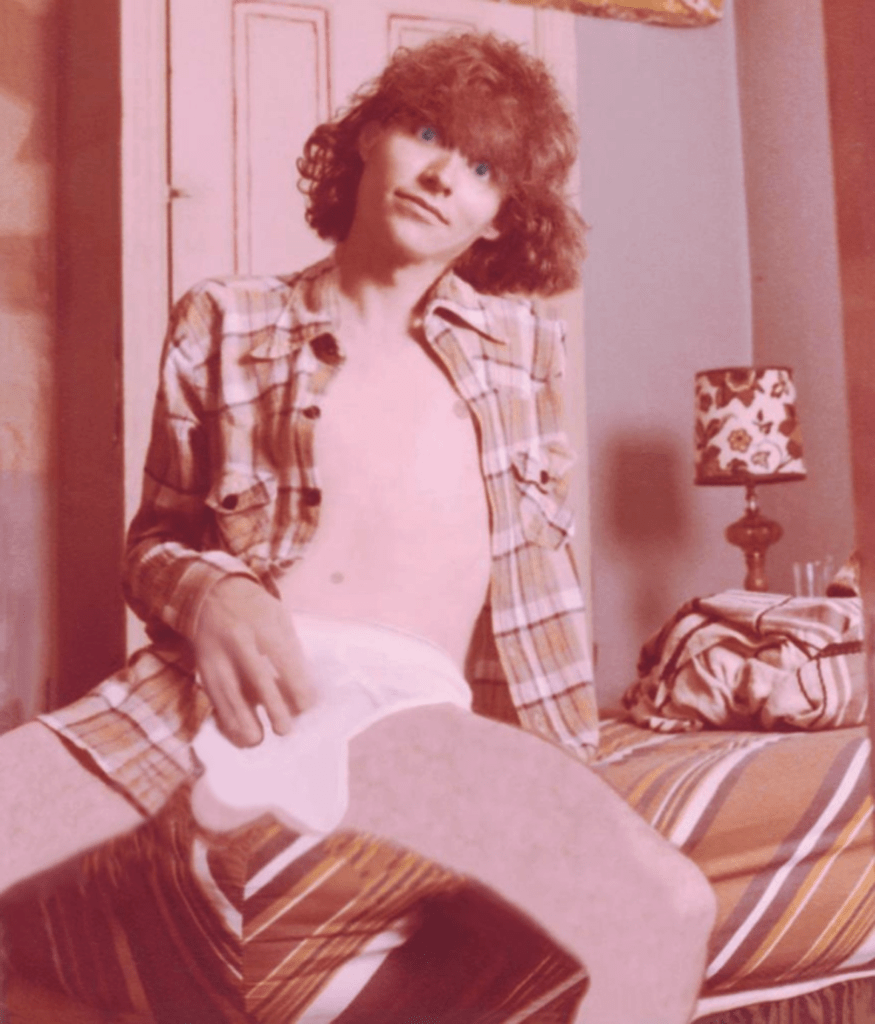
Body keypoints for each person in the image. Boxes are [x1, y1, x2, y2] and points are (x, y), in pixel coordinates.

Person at [0, 32, 716, 1023]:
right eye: (425, 132)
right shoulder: (225, 318)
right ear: (367, 139)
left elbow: (533, 574)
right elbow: (153, 543)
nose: (443, 175)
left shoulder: (521, 351)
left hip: (407, 716)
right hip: (199, 694)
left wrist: (567, 751)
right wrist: (210, 594)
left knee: (667, 906)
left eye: (482, 168)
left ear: (503, 213)